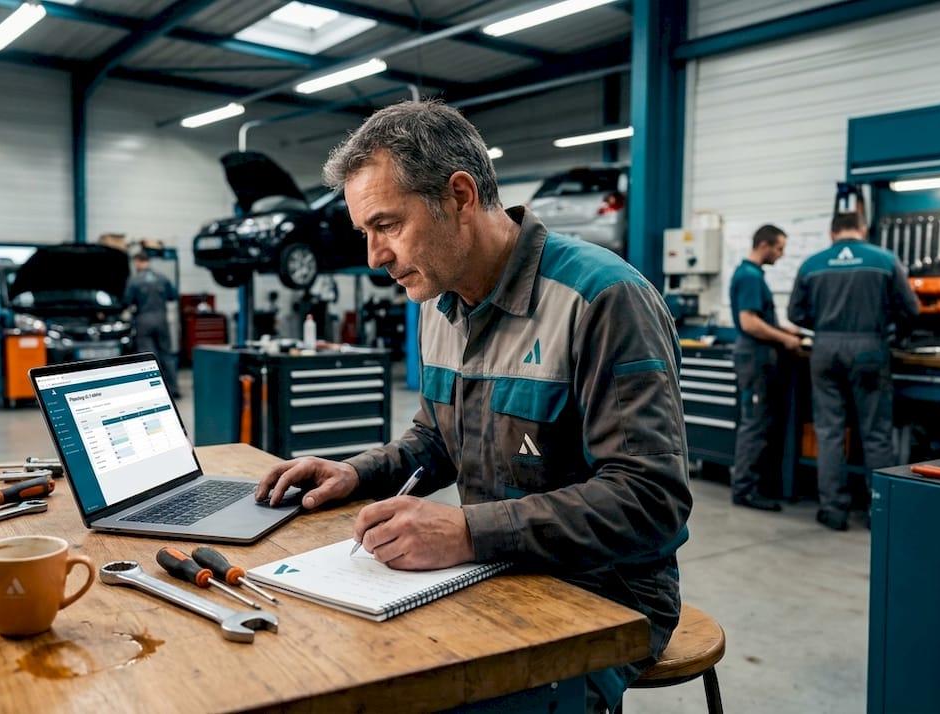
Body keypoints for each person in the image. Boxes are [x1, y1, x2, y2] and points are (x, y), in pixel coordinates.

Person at [255, 99, 692, 713]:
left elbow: (651, 500)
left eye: (388, 225)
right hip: (494, 571)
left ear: (459, 196)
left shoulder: (601, 300)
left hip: (606, 595)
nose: (375, 257)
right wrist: (357, 472)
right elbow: (437, 439)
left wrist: (467, 530)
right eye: (366, 233)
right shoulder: (440, 303)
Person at [788, 212, 920, 531]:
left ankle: (833, 510)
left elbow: (795, 313)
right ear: (862, 230)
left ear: (832, 233)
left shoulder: (811, 264)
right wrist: (891, 331)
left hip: (825, 348)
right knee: (875, 432)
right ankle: (879, 511)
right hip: (870, 348)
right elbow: (911, 309)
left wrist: (825, 327)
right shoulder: (884, 260)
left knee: (830, 431)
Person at [728, 224, 802, 512]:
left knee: (759, 422)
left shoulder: (753, 275)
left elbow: (758, 318)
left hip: (758, 357)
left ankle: (755, 485)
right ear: (764, 245)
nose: (781, 255)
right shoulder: (749, 276)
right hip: (754, 358)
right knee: (754, 424)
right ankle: (745, 490)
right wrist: (784, 338)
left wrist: (783, 329)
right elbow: (749, 322)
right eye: (779, 248)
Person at [124, 248, 180, 398]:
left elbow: (127, 301)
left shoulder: (134, 280)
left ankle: (154, 392)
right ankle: (174, 390)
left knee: (148, 357)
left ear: (138, 262)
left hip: (144, 321)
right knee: (166, 355)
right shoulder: (162, 277)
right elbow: (173, 296)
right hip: (162, 319)